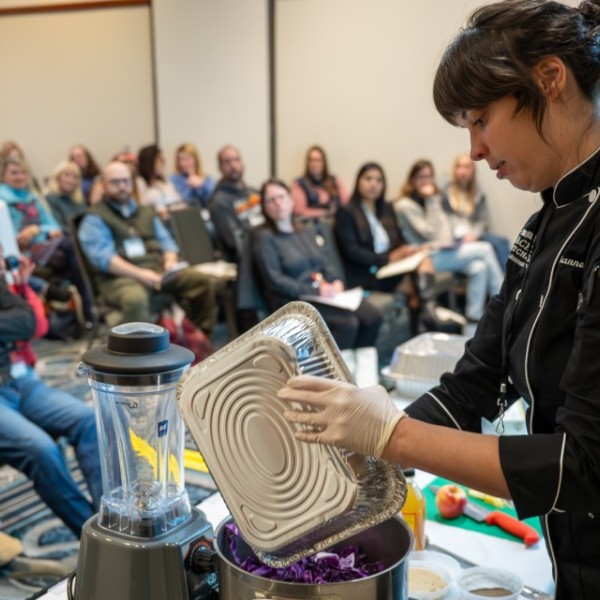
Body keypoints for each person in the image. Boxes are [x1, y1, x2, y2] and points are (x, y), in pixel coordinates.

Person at [279, 1, 600, 596]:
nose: (474, 150)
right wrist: (367, 458)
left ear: (550, 79)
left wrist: (392, 436)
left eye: (480, 119)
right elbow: (473, 386)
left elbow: (582, 467)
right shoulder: (543, 226)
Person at [0, 247, 101, 538]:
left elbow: (27, 322)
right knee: (41, 450)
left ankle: (112, 523)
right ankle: (97, 540)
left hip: (18, 382)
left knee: (89, 421)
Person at [77, 161, 216, 360]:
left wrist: (169, 260)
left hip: (158, 271)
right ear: (103, 185)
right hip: (119, 278)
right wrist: (140, 274)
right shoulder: (94, 218)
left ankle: (197, 343)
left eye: (126, 181)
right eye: (115, 182)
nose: (122, 186)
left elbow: (167, 244)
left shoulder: (146, 212)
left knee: (202, 282)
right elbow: (104, 259)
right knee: (135, 299)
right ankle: (139, 359)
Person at [253, 178, 384, 386]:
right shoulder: (265, 238)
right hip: (295, 300)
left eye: (281, 197)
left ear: (290, 199)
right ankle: (340, 382)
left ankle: (366, 383)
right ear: (264, 207)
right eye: (271, 200)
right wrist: (314, 289)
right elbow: (275, 280)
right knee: (348, 324)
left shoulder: (304, 229)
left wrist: (336, 280)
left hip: (325, 294)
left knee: (372, 317)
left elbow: (324, 261)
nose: (277, 203)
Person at [334, 162, 464, 334]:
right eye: (368, 179)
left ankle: (425, 323)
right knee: (414, 287)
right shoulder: (347, 212)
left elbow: (397, 238)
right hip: (367, 272)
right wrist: (387, 258)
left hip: (389, 267)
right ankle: (427, 321)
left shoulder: (386, 208)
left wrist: (407, 250)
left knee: (423, 261)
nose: (373, 184)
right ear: (358, 181)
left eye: (379, 180)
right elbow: (352, 251)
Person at [394, 159, 504, 326]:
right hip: (424, 258)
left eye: (429, 176)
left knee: (479, 268)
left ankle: (473, 322)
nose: (426, 181)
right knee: (486, 248)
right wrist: (431, 199)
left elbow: (445, 233)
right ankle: (505, 302)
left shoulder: (433, 199)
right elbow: (429, 233)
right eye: (421, 177)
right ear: (412, 179)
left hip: (440, 250)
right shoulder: (404, 205)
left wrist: (434, 200)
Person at [0, 156, 93, 324]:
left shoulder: (33, 196)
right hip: (20, 252)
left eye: (22, 172)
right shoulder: (2, 199)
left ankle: (82, 309)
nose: (19, 176)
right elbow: (11, 236)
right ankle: (88, 308)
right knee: (70, 249)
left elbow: (53, 226)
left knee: (70, 248)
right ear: (3, 176)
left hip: (42, 246)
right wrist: (37, 232)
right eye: (14, 173)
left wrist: (36, 229)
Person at [445, 153, 511, 270]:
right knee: (491, 249)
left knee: (501, 242)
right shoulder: (446, 192)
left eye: (467, 167)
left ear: (472, 171)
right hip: (454, 237)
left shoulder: (478, 194)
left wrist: (473, 235)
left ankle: (509, 279)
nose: (463, 171)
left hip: (473, 234)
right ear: (454, 170)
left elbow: (482, 221)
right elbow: (445, 218)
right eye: (459, 167)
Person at [290, 145, 349, 219]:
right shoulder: (299, 183)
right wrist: (324, 213)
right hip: (312, 226)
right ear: (307, 163)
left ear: (324, 162)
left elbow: (347, 204)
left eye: (318, 160)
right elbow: (299, 210)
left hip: (338, 224)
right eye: (311, 160)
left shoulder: (335, 180)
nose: (314, 163)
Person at [137, 144, 184, 220]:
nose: (163, 163)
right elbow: (142, 207)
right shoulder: (140, 182)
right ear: (149, 162)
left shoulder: (164, 181)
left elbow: (178, 201)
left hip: (176, 218)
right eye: (160, 160)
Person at [45, 160, 87, 235]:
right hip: (67, 239)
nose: (70, 180)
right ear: (58, 177)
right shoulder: (50, 199)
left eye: (75, 177)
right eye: (67, 175)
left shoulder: (79, 201)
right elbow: (58, 226)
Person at [170, 142, 215, 210]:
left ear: (195, 160)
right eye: (179, 160)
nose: (182, 163)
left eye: (186, 159)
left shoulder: (207, 179)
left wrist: (201, 186)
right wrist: (188, 187)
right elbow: (175, 202)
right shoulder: (173, 179)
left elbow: (213, 202)